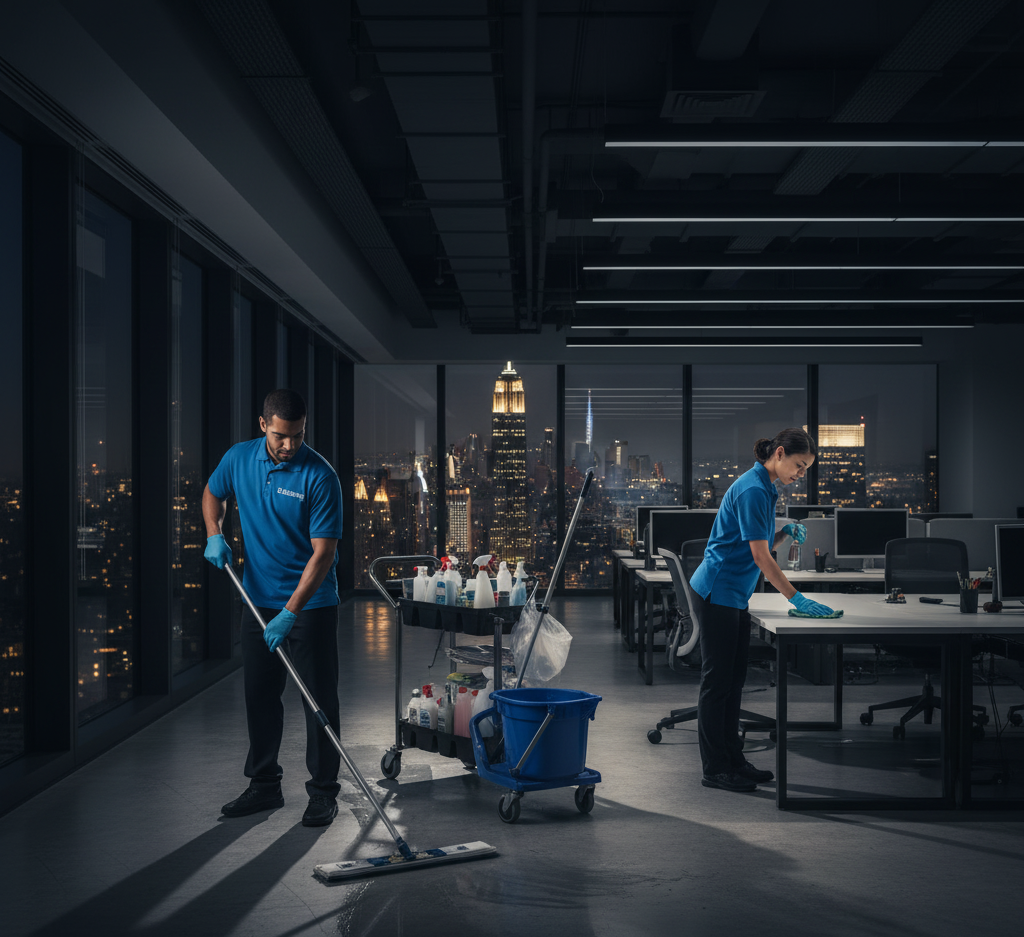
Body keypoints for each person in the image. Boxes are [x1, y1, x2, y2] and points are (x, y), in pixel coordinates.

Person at [202, 388, 344, 826]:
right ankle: (264, 785)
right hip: (257, 599)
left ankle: (323, 792)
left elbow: (323, 554)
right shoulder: (238, 458)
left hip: (310, 605)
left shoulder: (320, 476)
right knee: (260, 696)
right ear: (263, 424)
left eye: (298, 435)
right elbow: (212, 493)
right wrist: (214, 532)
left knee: (318, 699)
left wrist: (290, 612)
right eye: (281, 435)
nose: (289, 445)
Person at [689, 427, 838, 793]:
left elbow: (757, 542)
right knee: (717, 684)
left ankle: (734, 760)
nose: (801, 474)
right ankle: (715, 768)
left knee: (734, 682)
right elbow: (760, 557)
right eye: (799, 465)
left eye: (805, 469)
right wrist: (796, 598)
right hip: (717, 591)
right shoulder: (754, 489)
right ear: (780, 453)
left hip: (734, 594)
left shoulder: (766, 486)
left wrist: (784, 535)